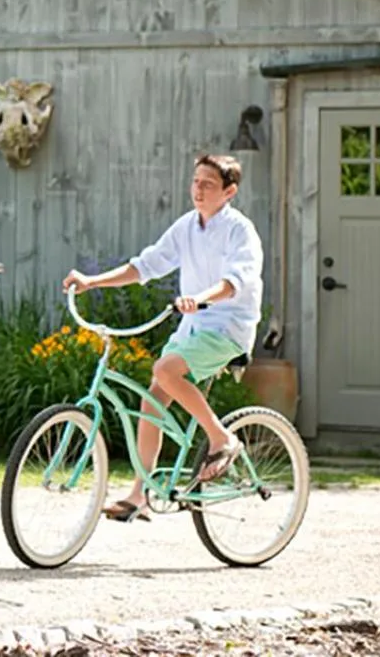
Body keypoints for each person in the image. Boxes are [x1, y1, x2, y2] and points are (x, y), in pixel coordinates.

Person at [62, 153, 263, 522]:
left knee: (165, 370)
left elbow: (234, 281)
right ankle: (140, 494)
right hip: (192, 328)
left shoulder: (240, 231)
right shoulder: (187, 226)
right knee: (153, 399)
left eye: (208, 184)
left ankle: (222, 439)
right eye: (195, 181)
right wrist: (92, 281)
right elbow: (146, 265)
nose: (198, 190)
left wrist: (200, 298)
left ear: (229, 192)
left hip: (227, 328)